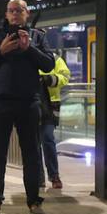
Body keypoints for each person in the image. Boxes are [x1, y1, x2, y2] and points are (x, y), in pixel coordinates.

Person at [0, 0, 56, 214]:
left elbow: (49, 64)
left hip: (29, 103)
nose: (16, 13)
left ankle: (34, 203)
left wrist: (29, 49)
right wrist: (0, 51)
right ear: (6, 14)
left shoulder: (37, 37)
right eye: (11, 10)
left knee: (32, 154)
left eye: (20, 10)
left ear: (26, 14)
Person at [38, 53, 71, 190]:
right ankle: (38, 177)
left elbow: (65, 76)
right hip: (30, 104)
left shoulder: (54, 58)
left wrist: (51, 79)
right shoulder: (26, 55)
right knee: (33, 143)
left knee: (48, 138)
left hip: (51, 105)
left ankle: (54, 175)